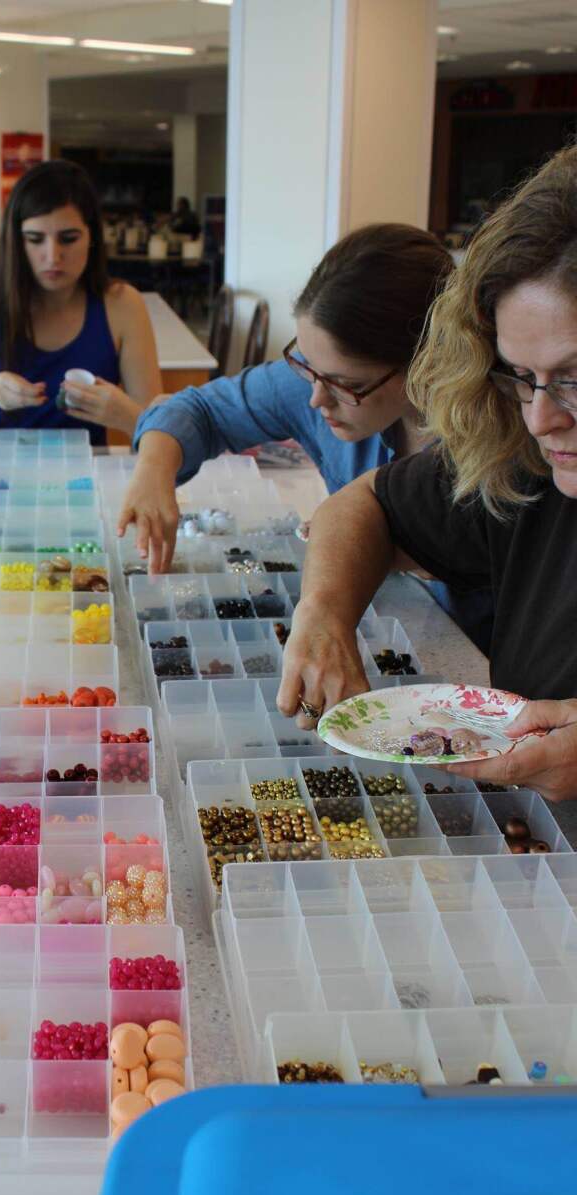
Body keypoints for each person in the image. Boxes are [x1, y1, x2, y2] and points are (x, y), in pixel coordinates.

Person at [277, 143, 577, 803]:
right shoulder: (527, 464)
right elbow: (367, 507)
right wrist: (325, 610)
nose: (541, 418)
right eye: (524, 379)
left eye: (575, 379)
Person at [118, 223, 493, 652]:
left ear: (425, 364)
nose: (316, 398)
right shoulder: (319, 377)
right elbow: (198, 409)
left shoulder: (496, 439)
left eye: (343, 383)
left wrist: (396, 547)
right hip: (380, 623)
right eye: (306, 366)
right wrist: (153, 472)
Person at [0, 160, 162, 444]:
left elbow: (157, 429)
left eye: (69, 239)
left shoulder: (122, 305)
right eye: (35, 239)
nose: (52, 256)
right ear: (16, 242)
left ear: (92, 238)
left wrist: (124, 414)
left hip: (82, 475)